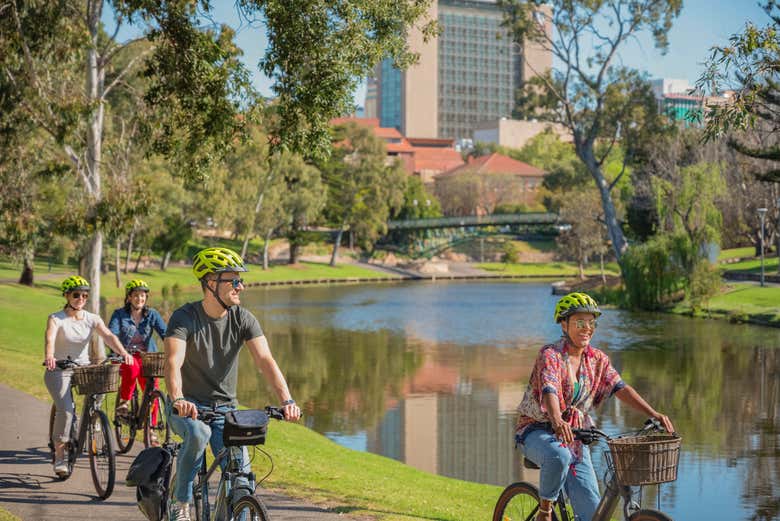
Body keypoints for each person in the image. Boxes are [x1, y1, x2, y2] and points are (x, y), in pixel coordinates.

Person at [164, 247, 301, 521]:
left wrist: (287, 400)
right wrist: (178, 398)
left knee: (242, 479)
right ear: (211, 283)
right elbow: (173, 361)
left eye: (241, 280)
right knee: (198, 434)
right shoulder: (184, 317)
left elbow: (265, 361)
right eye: (234, 280)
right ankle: (180, 502)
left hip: (226, 410)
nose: (241, 286)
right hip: (188, 406)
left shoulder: (243, 318)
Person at [515, 292, 675, 521]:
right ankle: (544, 511)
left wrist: (654, 413)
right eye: (580, 322)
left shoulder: (597, 359)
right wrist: (557, 420)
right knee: (558, 456)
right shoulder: (550, 355)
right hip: (537, 430)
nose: (587, 328)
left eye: (591, 323)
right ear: (564, 324)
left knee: (593, 516)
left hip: (576, 437)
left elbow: (620, 387)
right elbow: (549, 389)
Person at [44, 275, 134, 477]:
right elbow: (50, 337)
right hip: (59, 368)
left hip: (83, 367)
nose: (81, 299)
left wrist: (123, 353)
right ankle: (60, 456)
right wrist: (50, 356)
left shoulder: (92, 318)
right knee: (66, 411)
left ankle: (93, 418)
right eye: (76, 295)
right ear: (67, 295)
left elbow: (109, 336)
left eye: (85, 295)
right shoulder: (56, 318)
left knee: (101, 386)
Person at [108, 279, 167, 442]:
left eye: (142, 296)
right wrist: (119, 352)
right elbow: (112, 335)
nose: (139, 299)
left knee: (153, 390)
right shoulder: (119, 314)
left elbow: (165, 334)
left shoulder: (152, 314)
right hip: (125, 356)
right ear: (128, 297)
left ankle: (151, 429)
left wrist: (173, 349)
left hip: (147, 356)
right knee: (132, 368)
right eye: (135, 295)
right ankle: (124, 403)